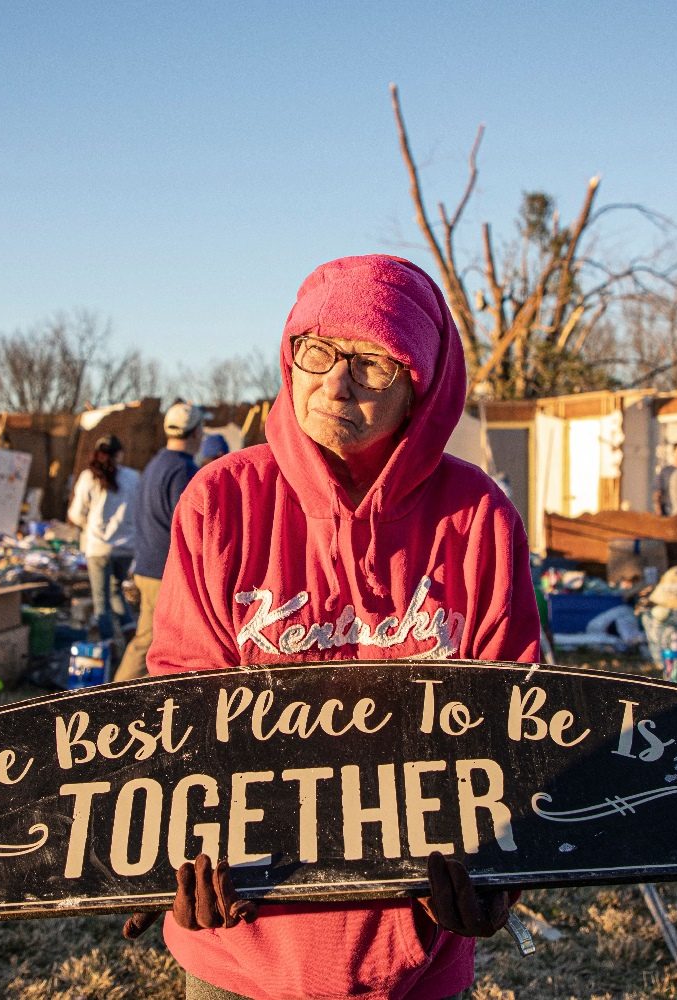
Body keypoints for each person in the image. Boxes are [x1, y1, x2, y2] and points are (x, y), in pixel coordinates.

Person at [121, 254, 542, 1000]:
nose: (334, 381)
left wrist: (501, 875)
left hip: (416, 953)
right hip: (241, 947)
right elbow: (183, 704)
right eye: (315, 350)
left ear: (423, 383)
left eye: (373, 360)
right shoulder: (221, 502)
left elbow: (513, 724)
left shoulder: (477, 517)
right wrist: (171, 858)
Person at [114, 400, 204, 682]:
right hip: (164, 571)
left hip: (147, 566)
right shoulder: (183, 470)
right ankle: (118, 699)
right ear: (194, 433)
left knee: (152, 640)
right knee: (149, 642)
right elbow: (191, 526)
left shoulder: (155, 464)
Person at [67, 435, 139, 657]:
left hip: (98, 548)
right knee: (116, 591)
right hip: (126, 547)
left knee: (101, 601)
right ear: (120, 453)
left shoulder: (89, 477)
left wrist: (88, 525)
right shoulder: (134, 477)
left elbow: (76, 514)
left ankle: (108, 651)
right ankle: (130, 642)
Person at [652, 441, 677, 515]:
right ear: (673, 453)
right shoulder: (665, 472)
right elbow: (657, 492)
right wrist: (657, 508)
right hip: (668, 511)